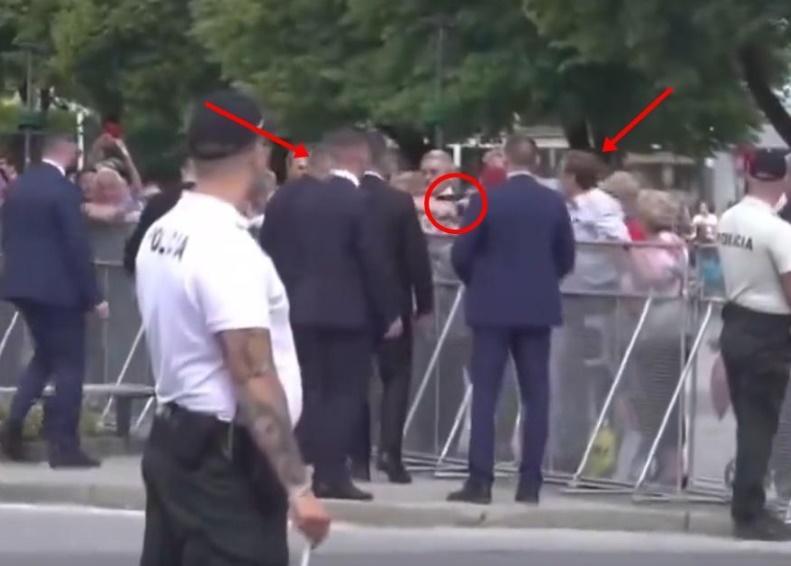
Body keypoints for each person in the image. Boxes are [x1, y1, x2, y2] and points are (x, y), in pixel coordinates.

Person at [135, 90, 330, 565]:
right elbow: (252, 374)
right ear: (256, 151)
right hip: (224, 462)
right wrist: (298, 487)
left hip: (177, 442)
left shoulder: (164, 230)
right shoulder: (226, 247)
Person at [260, 128, 401, 501]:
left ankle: (293, 467)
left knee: (304, 389)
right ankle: (331, 472)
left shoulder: (286, 198)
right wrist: (389, 311)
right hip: (347, 313)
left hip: (295, 307)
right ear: (359, 159)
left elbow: (267, 250)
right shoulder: (358, 202)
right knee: (344, 394)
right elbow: (373, 261)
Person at [447, 133, 575, 504]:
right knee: (536, 394)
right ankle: (530, 482)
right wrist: (544, 280)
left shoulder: (486, 198)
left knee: (485, 393)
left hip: (491, 305)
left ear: (505, 160)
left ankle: (480, 481)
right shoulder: (552, 202)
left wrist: (478, 281)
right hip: (537, 306)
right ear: (537, 161)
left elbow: (462, 252)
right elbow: (566, 255)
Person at [0, 134, 108, 468]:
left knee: (45, 358)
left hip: (23, 285)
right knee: (70, 366)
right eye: (76, 152)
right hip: (59, 291)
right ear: (66, 153)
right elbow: (75, 245)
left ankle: (13, 426)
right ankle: (63, 446)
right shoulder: (64, 191)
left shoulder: (20, 186)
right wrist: (94, 296)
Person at [349, 130, 434, 484]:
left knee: (356, 382)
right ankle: (390, 452)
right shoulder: (398, 203)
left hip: (352, 302)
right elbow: (416, 258)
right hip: (395, 303)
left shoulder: (344, 199)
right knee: (395, 379)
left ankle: (358, 458)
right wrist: (424, 303)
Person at [716, 148, 791, 541]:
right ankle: (749, 513)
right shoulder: (778, 231)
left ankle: (747, 505)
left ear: (748, 175)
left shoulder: (729, 218)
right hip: (769, 329)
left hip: (736, 321)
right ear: (783, 179)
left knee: (749, 422)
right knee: (760, 425)